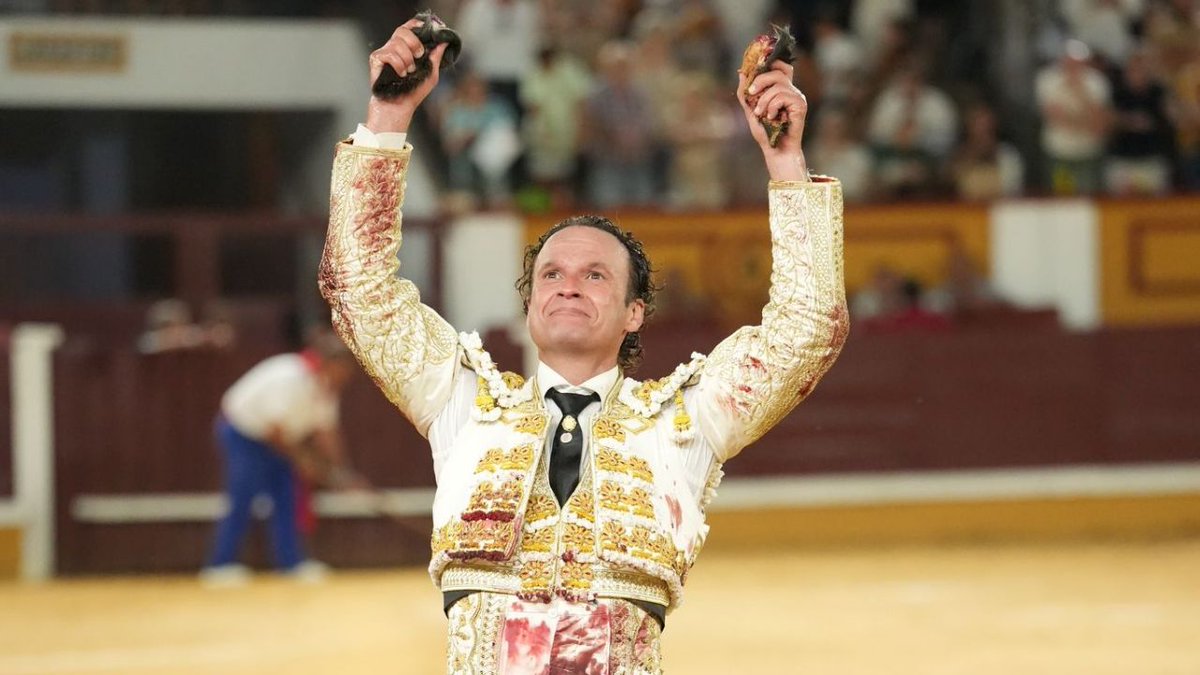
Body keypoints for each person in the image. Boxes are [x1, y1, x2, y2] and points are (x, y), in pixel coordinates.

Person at [319, 18, 847, 672]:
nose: (569, 285)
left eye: (595, 274)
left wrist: (786, 163)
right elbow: (358, 288)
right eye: (552, 273)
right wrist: (388, 116)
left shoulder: (684, 424)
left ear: (634, 313)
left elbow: (808, 326)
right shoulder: (463, 404)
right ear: (530, 304)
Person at [199, 329, 356, 586]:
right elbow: (275, 431)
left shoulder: (326, 387)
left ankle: (290, 564)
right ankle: (219, 566)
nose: (347, 376)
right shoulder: (290, 376)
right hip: (242, 433)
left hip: (280, 441)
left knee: (287, 498)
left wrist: (342, 471)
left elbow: (326, 433)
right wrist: (305, 461)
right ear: (329, 363)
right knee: (242, 496)